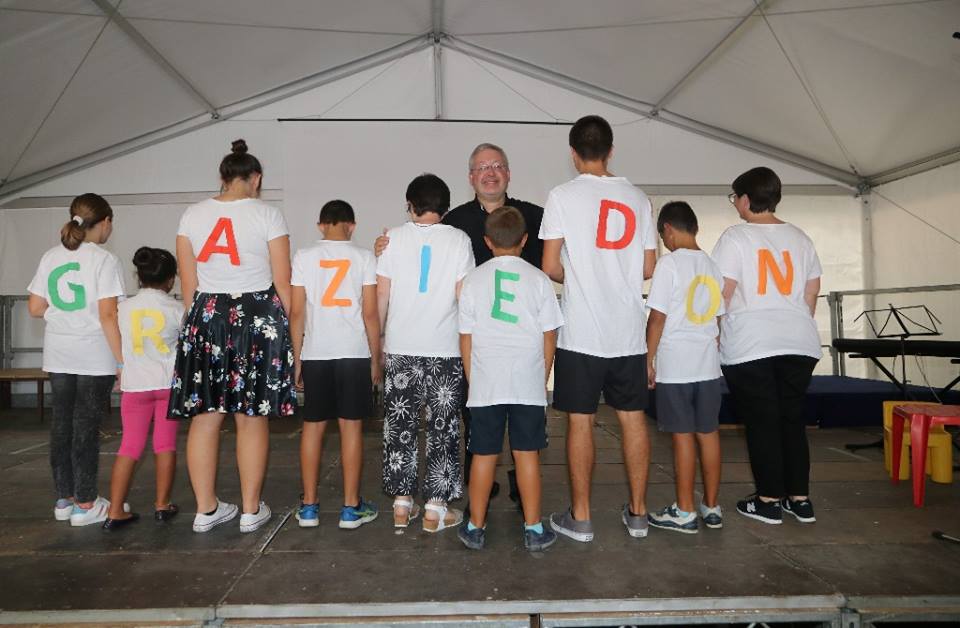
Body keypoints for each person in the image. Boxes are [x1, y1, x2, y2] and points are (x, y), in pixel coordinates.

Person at [376, 143, 544, 505]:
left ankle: (519, 483)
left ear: (508, 173)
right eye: (482, 167)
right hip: (465, 337)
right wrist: (383, 247)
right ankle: (475, 485)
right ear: (470, 177)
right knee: (469, 412)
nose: (490, 173)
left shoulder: (535, 216)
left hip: (519, 338)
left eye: (497, 165)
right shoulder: (454, 223)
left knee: (522, 419)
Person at [540, 115, 657, 542]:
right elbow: (649, 266)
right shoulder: (638, 198)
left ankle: (582, 517)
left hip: (582, 332)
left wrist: (579, 276)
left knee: (580, 421)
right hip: (628, 331)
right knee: (633, 419)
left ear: (573, 154)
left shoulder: (562, 196)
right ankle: (639, 514)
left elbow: (549, 265)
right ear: (611, 151)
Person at [170, 139, 296, 534]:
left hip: (206, 314)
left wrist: (201, 325)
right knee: (251, 416)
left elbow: (188, 286)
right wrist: (293, 334)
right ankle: (250, 510)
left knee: (205, 417)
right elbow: (283, 282)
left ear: (223, 177)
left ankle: (205, 510)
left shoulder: (192, 215)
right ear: (256, 179)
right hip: (257, 316)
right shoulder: (268, 214)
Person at [712, 166, 822, 525]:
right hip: (799, 341)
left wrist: (715, 333)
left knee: (762, 422)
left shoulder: (735, 237)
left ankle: (768, 500)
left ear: (745, 199)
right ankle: (800, 500)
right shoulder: (800, 237)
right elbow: (812, 291)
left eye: (734, 198)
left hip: (752, 342)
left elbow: (722, 293)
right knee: (792, 419)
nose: (735, 204)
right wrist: (792, 322)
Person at [457, 206, 563, 552]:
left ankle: (475, 526)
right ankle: (533, 528)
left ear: (487, 241)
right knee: (526, 455)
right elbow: (550, 335)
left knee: (483, 455)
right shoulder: (539, 279)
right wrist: (542, 376)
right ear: (525, 239)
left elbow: (466, 337)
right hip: (527, 383)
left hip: (486, 383)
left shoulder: (472, 280)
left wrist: (473, 378)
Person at [377, 173, 474, 533]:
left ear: (409, 205)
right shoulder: (459, 240)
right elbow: (464, 296)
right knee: (443, 428)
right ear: (446, 208)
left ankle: (402, 505)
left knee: (399, 426)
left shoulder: (391, 239)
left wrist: (379, 341)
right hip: (445, 349)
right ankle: (435, 509)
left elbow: (382, 295)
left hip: (401, 348)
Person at [27, 193, 125, 526]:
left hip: (58, 353)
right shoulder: (104, 260)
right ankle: (86, 502)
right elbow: (108, 315)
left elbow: (35, 308)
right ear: (105, 222)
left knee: (61, 426)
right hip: (93, 355)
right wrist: (122, 362)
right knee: (86, 428)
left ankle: (64, 499)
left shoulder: (51, 256)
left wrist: (63, 316)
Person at [290, 200, 380, 530]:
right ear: (352, 225)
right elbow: (370, 313)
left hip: (316, 352)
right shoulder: (364, 257)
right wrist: (376, 357)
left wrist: (297, 358)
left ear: (320, 225)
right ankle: (350, 508)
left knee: (313, 427)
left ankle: (309, 507)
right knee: (350, 428)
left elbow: (296, 313)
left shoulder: (303, 256)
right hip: (353, 352)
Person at [644, 202, 724, 534]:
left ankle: (685, 510)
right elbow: (718, 319)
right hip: (708, 365)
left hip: (677, 364)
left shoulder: (670, 263)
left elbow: (657, 317)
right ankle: (712, 506)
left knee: (682, 437)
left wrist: (648, 359)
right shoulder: (712, 265)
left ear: (668, 230)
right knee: (709, 433)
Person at [103, 247, 183, 529]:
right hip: (167, 384)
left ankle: (115, 510)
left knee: (129, 446)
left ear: (139, 276)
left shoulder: (123, 308)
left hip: (135, 385)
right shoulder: (177, 309)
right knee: (165, 444)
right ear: (171, 280)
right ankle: (162, 505)